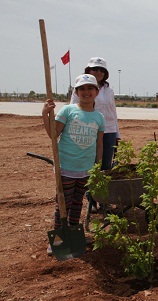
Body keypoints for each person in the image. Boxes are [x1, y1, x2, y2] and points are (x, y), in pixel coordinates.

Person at [42, 74, 105, 255]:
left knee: (78, 203)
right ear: (76, 92)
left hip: (85, 170)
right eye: (82, 89)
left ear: (96, 92)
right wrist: (45, 114)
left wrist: (97, 167)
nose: (86, 92)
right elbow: (53, 135)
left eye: (90, 89)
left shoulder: (99, 117)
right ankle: (59, 238)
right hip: (66, 168)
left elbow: (99, 144)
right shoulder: (68, 111)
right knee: (63, 203)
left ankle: (74, 234)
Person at [71, 57, 120, 213]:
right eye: (95, 69)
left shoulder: (109, 90)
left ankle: (103, 201)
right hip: (89, 130)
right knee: (90, 167)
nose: (98, 72)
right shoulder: (81, 87)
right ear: (88, 70)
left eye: (101, 70)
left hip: (109, 131)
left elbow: (113, 112)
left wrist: (117, 133)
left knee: (105, 167)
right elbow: (73, 109)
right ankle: (92, 200)